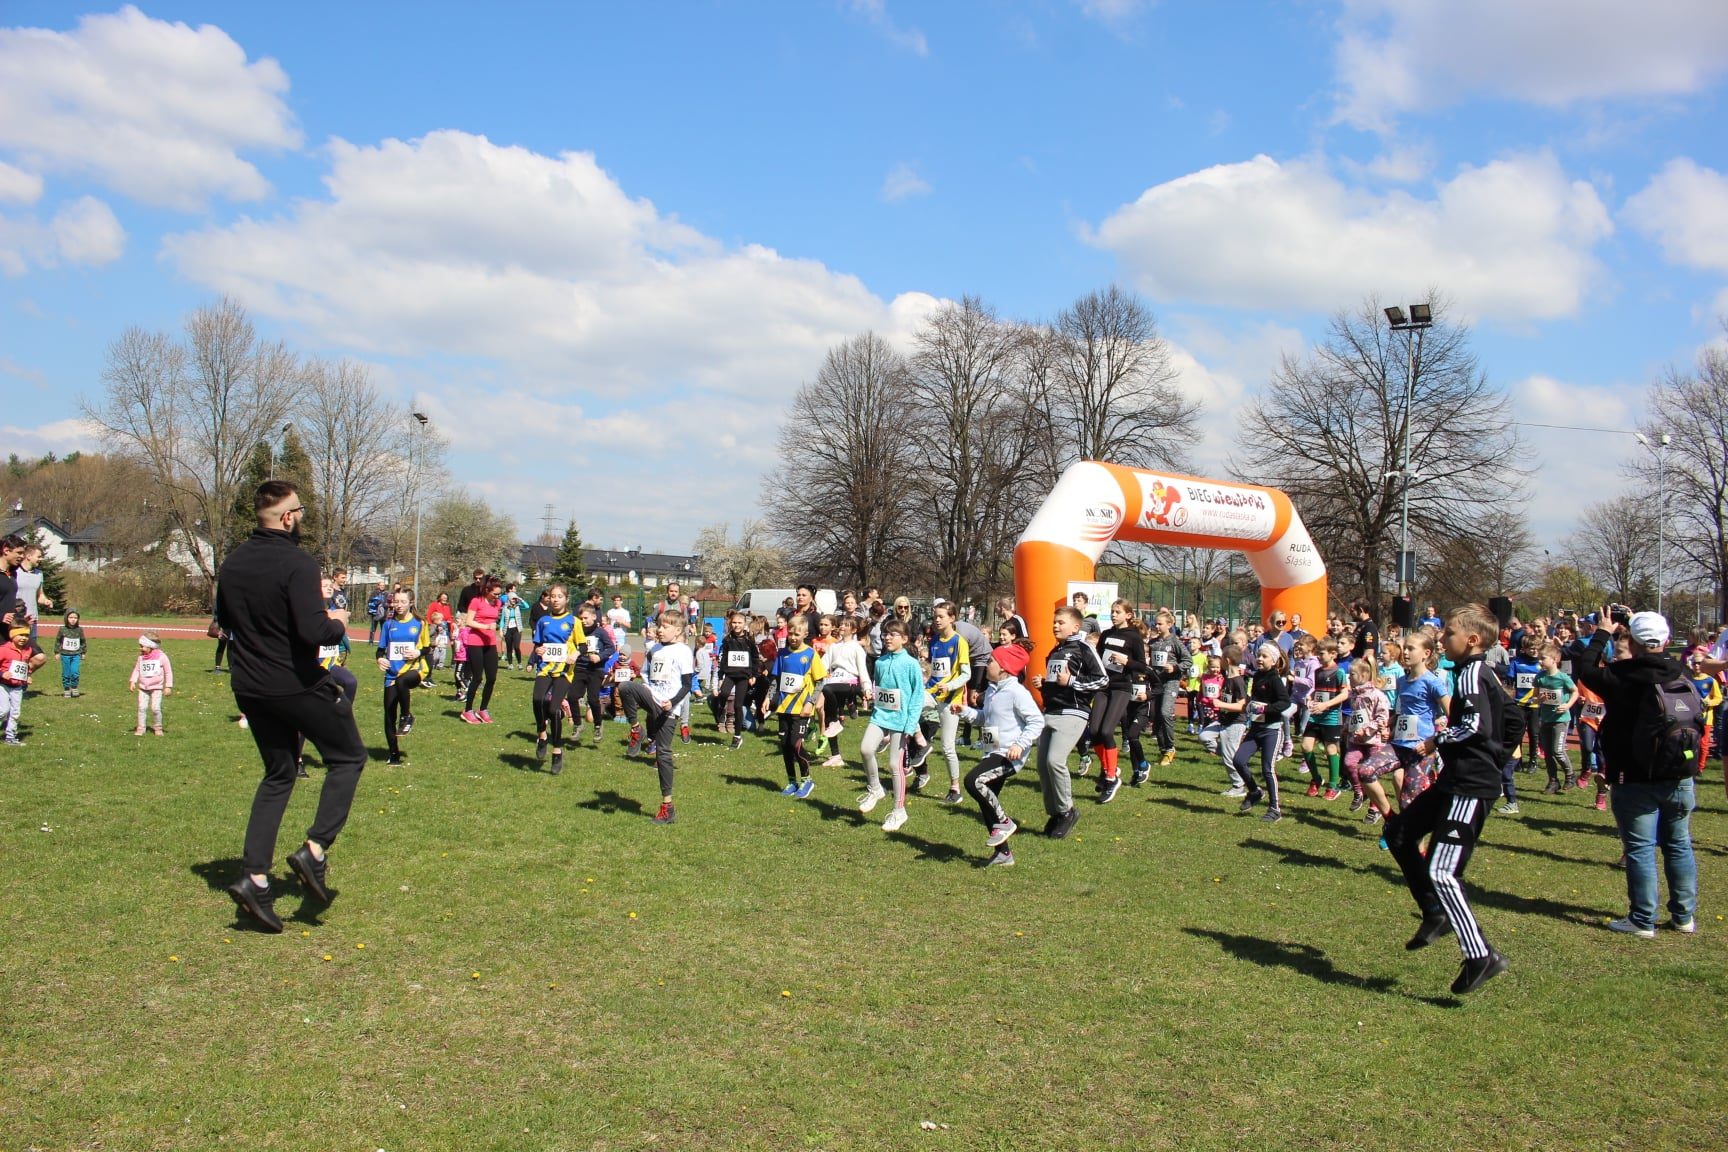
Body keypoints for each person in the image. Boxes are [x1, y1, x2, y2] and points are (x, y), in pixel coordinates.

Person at [216, 480, 365, 934]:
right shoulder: (297, 563)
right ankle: (315, 849)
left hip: (250, 685)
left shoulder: (233, 562)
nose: (302, 518)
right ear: (286, 517)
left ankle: (256, 880)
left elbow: (222, 622)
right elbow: (313, 632)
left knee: (279, 774)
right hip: (295, 683)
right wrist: (338, 620)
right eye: (299, 511)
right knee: (349, 757)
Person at [1386, 604, 1510, 995]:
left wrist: (1436, 741)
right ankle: (1434, 913)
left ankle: (1480, 956)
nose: (1443, 638)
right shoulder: (1472, 673)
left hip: (1470, 787)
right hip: (1454, 781)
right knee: (1401, 834)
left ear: (1472, 640)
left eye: (1450, 632)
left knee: (1442, 871)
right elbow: (1512, 718)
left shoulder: (1474, 673)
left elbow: (1474, 726)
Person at [1576, 609, 1701, 938]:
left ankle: (1643, 918)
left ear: (1631, 640)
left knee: (1641, 848)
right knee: (1679, 844)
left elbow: (1585, 667)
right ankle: (1683, 915)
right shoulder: (1681, 671)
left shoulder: (1622, 677)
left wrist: (1603, 632)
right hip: (1679, 772)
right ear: (1667, 641)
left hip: (1634, 776)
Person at [953, 643, 1043, 867]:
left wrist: (1020, 745)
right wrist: (965, 712)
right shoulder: (993, 689)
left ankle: (1005, 822)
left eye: (992, 661)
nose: (988, 664)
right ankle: (1004, 854)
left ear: (1004, 668)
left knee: (972, 781)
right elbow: (986, 719)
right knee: (986, 800)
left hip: (1008, 755)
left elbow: (1037, 720)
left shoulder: (1016, 692)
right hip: (991, 750)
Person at [1031, 604, 1109, 840]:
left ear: (1076, 626)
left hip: (1074, 712)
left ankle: (1067, 810)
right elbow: (1058, 682)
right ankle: (1055, 813)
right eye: (1054, 622)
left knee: (1055, 761)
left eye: (1060, 622)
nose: (1055, 626)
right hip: (1052, 711)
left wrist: (1072, 681)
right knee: (1043, 764)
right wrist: (1044, 684)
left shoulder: (1083, 647)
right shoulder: (1055, 651)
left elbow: (1102, 680)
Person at [618, 610, 693, 824]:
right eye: (658, 625)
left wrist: (673, 702)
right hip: (654, 698)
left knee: (663, 754)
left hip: (668, 707)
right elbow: (648, 674)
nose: (659, 630)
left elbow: (687, 684)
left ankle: (667, 807)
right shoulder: (654, 649)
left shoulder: (683, 651)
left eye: (665, 626)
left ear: (678, 630)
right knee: (625, 687)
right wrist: (647, 689)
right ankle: (636, 729)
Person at [858, 616, 923, 830]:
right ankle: (875, 788)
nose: (887, 637)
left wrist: (911, 725)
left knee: (895, 765)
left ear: (904, 639)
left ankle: (899, 810)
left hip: (901, 721)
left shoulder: (911, 664)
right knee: (866, 749)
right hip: (880, 716)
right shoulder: (880, 661)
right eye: (885, 633)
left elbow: (917, 696)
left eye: (893, 634)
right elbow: (880, 688)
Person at [1232, 643, 1291, 822]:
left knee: (1267, 769)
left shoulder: (1275, 678)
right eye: (1258, 655)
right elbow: (1256, 700)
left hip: (1271, 731)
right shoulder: (1257, 676)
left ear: (1274, 661)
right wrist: (1251, 705)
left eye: (1264, 656)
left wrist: (1266, 710)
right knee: (1238, 760)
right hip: (1256, 728)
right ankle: (1255, 791)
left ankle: (1275, 809)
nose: (1259, 659)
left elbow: (1285, 703)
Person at [529, 584, 582, 774]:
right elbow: (537, 646)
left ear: (566, 599)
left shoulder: (573, 621)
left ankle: (557, 751)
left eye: (559, 596)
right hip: (545, 669)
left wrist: (575, 654)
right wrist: (538, 650)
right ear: (548, 599)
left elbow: (582, 646)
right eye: (552, 596)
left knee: (553, 709)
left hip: (565, 672)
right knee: (537, 700)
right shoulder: (543, 621)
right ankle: (542, 734)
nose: (556, 599)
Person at [924, 602, 971, 804]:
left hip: (951, 699)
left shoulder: (959, 642)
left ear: (952, 618)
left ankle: (955, 788)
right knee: (910, 708)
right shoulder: (933, 640)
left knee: (947, 746)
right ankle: (920, 745)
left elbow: (966, 674)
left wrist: (950, 687)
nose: (937, 619)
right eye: (935, 616)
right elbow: (935, 671)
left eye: (941, 616)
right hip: (932, 693)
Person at [376, 588, 426, 766]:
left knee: (402, 681)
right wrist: (379, 660)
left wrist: (417, 651)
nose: (398, 605)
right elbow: (381, 650)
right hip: (392, 673)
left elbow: (427, 647)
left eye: (402, 602)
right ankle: (394, 754)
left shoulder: (420, 623)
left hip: (414, 670)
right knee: (389, 715)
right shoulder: (389, 624)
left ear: (410, 603)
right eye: (396, 601)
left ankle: (406, 716)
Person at [1143, 609, 1193, 769]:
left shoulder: (1175, 642)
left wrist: (1174, 668)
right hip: (1156, 682)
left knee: (1165, 712)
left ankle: (1170, 747)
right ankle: (1164, 749)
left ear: (1170, 625)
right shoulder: (1153, 643)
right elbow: (1149, 661)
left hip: (1171, 682)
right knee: (1156, 717)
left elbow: (1188, 661)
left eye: (1160, 623)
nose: (1157, 626)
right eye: (1155, 623)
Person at [712, 610, 761, 749]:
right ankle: (721, 714)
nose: (736, 625)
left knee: (738, 706)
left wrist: (753, 675)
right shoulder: (727, 639)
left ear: (744, 624)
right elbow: (724, 658)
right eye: (734, 622)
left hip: (743, 677)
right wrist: (721, 675)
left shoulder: (749, 640)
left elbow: (755, 658)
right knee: (723, 694)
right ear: (730, 623)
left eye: (739, 622)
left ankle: (737, 736)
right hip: (730, 674)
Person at [459, 577, 503, 723]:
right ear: (486, 590)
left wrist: (498, 628)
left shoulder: (498, 603)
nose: (498, 597)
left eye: (499, 594)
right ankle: (467, 710)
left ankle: (483, 709)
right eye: (495, 594)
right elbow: (469, 621)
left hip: (490, 643)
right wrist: (486, 627)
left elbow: (495, 619)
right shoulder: (476, 601)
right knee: (477, 677)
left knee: (491, 678)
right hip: (475, 642)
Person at [129, 632, 172, 736]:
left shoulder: (162, 657)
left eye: (142, 646)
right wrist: (133, 681)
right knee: (141, 708)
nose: (140, 649)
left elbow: (168, 672)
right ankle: (141, 728)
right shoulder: (141, 658)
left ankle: (158, 728)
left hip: (156, 688)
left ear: (150, 646)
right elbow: (137, 670)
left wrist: (168, 686)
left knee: (155, 708)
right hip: (143, 688)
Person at [0, 622, 33, 744]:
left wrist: (27, 676)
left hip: (17, 687)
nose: (24, 638)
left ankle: (10, 737)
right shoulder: (3, 650)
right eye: (20, 634)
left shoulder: (27, 650)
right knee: (3, 710)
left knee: (15, 712)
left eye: (26, 635)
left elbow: (25, 665)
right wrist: (2, 674)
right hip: (3, 685)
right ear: (12, 635)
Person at [15, 544, 51, 645]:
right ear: (28, 556)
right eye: (39, 556)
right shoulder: (15, 572)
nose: (41, 559)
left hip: (32, 619)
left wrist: (46, 601)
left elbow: (40, 595)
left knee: (31, 653)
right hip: (17, 619)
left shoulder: (39, 574)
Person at [55, 610, 85, 697]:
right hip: (65, 655)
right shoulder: (62, 629)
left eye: (75, 618)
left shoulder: (79, 630)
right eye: (71, 617)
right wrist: (57, 652)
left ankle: (74, 687)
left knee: (75, 672)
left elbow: (82, 641)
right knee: (66, 673)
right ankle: (67, 689)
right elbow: (58, 641)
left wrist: (83, 652)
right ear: (66, 618)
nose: (73, 620)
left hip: (76, 655)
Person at [500, 583, 529, 670]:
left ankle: (520, 663)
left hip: (517, 629)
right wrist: (501, 630)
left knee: (516, 647)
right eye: (512, 598)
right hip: (508, 629)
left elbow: (527, 606)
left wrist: (520, 599)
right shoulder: (505, 608)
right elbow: (502, 620)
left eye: (515, 599)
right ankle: (510, 664)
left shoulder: (518, 607)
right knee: (509, 647)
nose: (514, 600)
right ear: (509, 599)